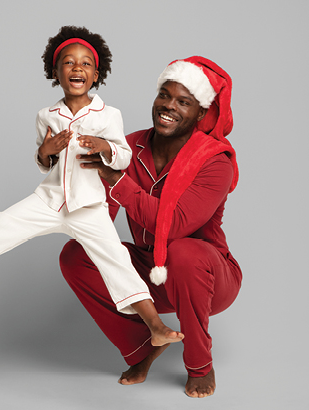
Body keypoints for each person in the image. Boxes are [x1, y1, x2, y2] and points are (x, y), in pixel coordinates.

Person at [0, 26, 184, 348]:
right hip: (48, 200)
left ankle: (155, 327)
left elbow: (123, 159)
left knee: (116, 261)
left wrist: (104, 147)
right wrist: (46, 150)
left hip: (89, 206)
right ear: (55, 72)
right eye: (68, 63)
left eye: (85, 64)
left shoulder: (109, 115)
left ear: (96, 75)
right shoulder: (46, 115)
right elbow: (43, 161)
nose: (77, 68)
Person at [60, 56, 242, 398]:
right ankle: (143, 345)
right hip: (151, 267)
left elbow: (175, 226)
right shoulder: (128, 147)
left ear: (201, 113)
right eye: (164, 95)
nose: (168, 106)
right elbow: (102, 216)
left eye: (183, 102)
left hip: (209, 275)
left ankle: (200, 364)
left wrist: (116, 180)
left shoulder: (216, 160)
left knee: (182, 250)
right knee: (76, 255)